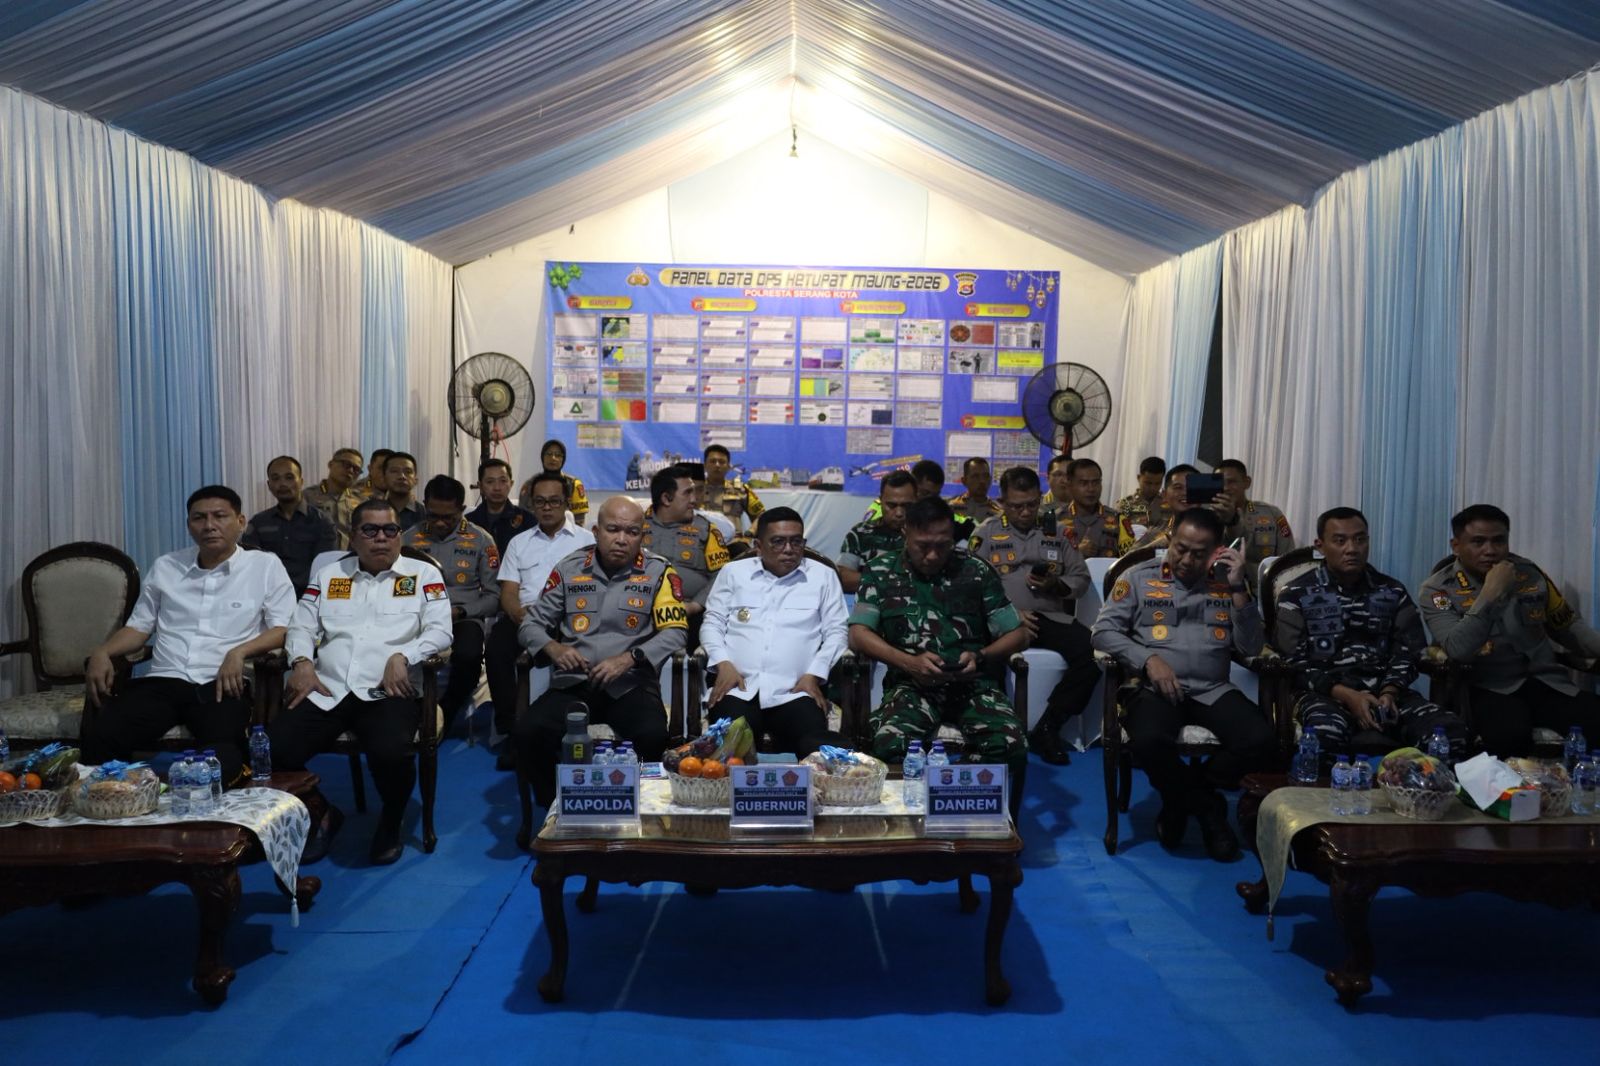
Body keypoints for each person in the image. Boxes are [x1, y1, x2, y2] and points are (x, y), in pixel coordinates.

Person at [270, 498, 452, 865]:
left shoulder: (423, 576)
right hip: (328, 687)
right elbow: (301, 625)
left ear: (399, 535)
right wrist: (301, 662)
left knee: (391, 752)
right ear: (353, 537)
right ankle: (321, 810)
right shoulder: (330, 576)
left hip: (389, 690)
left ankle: (391, 818)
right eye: (370, 530)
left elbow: (441, 631)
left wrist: (404, 656)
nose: (381, 538)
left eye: (390, 530)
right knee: (274, 749)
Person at [1091, 507, 1274, 862]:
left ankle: (1181, 800)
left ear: (1217, 551)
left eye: (1199, 553)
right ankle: (1208, 810)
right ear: (1171, 539)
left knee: (1261, 741)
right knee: (1148, 740)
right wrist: (1148, 660)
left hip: (1212, 689)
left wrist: (1239, 588)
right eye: (1181, 549)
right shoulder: (1138, 577)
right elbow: (1103, 632)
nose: (1187, 560)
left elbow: (1251, 648)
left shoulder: (1229, 581)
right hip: (1155, 690)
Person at [80, 486, 295, 787]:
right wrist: (103, 652)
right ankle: (111, 805)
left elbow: (282, 629)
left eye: (220, 516)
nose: (209, 525)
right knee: (103, 734)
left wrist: (239, 652)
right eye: (199, 518)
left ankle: (204, 812)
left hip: (220, 684)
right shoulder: (167, 566)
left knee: (224, 755)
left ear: (241, 522)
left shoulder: (264, 566)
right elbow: (138, 628)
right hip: (165, 681)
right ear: (189, 525)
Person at [513, 496, 688, 831]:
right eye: (613, 530)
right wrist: (553, 648)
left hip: (631, 685)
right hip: (574, 684)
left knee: (653, 735)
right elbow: (530, 626)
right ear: (596, 532)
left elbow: (676, 632)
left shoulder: (659, 572)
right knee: (528, 733)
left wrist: (630, 658)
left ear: (642, 536)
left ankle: (640, 813)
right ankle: (556, 809)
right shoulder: (569, 568)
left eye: (632, 532)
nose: (621, 539)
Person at [848, 496, 1031, 816]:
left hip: (974, 685)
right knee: (888, 746)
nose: (932, 555)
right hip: (912, 685)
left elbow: (1019, 634)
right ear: (905, 533)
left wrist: (982, 656)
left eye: (942, 545)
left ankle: (957, 803)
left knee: (1011, 746)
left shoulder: (975, 570)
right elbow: (859, 633)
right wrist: (908, 662)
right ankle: (912, 819)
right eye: (923, 546)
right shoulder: (880, 571)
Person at [1274, 508, 1468, 760]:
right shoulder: (1296, 594)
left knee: (1449, 733)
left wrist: (1389, 691)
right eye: (1340, 541)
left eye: (1360, 539)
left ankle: (1415, 785)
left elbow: (1410, 652)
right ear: (1320, 546)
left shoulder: (1392, 591)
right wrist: (1347, 695)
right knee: (1324, 736)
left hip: (1388, 694)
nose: (1352, 549)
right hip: (1323, 694)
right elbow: (1292, 663)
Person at [1418, 504, 1600, 755]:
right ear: (1456, 545)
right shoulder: (1438, 591)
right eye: (1478, 542)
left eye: (1498, 541)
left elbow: (1568, 625)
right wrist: (1489, 595)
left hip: (1547, 681)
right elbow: (1458, 649)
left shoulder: (1529, 574)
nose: (1490, 550)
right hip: (1489, 687)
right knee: (1509, 739)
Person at [971, 467, 1098, 765]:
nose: (1026, 512)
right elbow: (971, 584)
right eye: (1017, 506)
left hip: (1048, 618)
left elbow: (1081, 579)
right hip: (1000, 620)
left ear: (1040, 498)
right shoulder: (985, 533)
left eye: (1031, 504)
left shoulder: (1059, 532)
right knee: (985, 659)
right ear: (1002, 501)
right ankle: (997, 731)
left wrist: (1056, 584)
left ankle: (1049, 727)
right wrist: (1007, 613)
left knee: (1091, 655)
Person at [701, 507, 848, 757]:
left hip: (796, 691)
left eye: (796, 541)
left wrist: (814, 675)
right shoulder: (733, 573)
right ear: (758, 546)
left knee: (816, 751)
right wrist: (722, 663)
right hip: (739, 689)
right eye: (778, 541)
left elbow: (837, 632)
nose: (789, 549)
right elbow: (712, 623)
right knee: (727, 752)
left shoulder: (823, 577)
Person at [485, 471, 595, 766]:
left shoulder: (587, 541)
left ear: (566, 502)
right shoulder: (519, 542)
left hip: (572, 616)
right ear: (531, 504)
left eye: (554, 501)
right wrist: (523, 618)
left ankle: (565, 730)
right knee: (496, 649)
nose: (547, 508)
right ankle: (511, 732)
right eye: (540, 502)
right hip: (526, 614)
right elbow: (508, 593)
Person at [402, 476, 501, 732]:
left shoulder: (481, 540)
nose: (440, 523)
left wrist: (462, 611)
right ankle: (406, 713)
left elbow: (493, 596)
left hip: (462, 616)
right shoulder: (407, 539)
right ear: (425, 506)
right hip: (416, 616)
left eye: (448, 517)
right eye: (433, 516)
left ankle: (442, 715)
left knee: (469, 656)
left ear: (461, 509)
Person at [641, 464, 730, 638]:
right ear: (666, 498)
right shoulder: (635, 526)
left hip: (692, 614)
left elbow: (722, 575)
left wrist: (695, 606)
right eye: (688, 493)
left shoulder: (707, 530)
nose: (694, 500)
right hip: (639, 609)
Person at [242, 455, 338, 594]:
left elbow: (324, 567)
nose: (282, 484)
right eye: (275, 478)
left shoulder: (322, 522)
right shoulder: (259, 522)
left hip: (310, 596)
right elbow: (251, 563)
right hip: (269, 595)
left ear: (301, 481)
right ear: (269, 485)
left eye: (289, 477)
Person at [1214, 459, 1294, 591]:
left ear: (1246, 482)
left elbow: (1288, 557)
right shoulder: (1208, 518)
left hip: (1264, 590)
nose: (1225, 488)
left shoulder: (1271, 514)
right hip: (1222, 591)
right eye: (1220, 483)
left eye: (1231, 482)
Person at [837, 471, 917, 594]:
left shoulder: (927, 536)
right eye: (891, 505)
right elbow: (844, 578)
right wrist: (893, 582)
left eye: (906, 506)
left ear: (917, 501)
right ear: (880, 501)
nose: (899, 513)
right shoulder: (860, 533)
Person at [1046, 457, 1134, 558]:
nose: (1091, 489)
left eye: (1096, 483)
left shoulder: (1118, 519)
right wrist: (1075, 553)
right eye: (1084, 483)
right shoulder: (1054, 519)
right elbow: (1045, 559)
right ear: (1070, 484)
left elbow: (1130, 560)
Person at [467, 458, 535, 554]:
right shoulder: (468, 522)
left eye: (503, 481)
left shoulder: (528, 521)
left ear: (511, 484)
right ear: (480, 486)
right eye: (490, 482)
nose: (497, 488)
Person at [304, 447, 367, 547]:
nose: (351, 471)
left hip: (349, 555)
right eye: (346, 465)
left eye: (356, 469)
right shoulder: (307, 496)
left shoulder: (361, 501)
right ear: (330, 464)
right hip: (317, 554)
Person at [1128, 464, 1197, 552]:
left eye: (1191, 487)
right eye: (1178, 487)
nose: (1185, 493)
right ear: (1164, 494)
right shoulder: (1153, 536)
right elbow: (1128, 558)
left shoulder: (1212, 532)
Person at [519, 439, 588, 526]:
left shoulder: (574, 484)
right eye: (549, 454)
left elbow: (579, 522)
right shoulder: (530, 485)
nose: (553, 458)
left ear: (563, 459)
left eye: (558, 455)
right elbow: (522, 517)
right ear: (542, 457)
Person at [703, 443, 765, 536]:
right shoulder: (694, 490)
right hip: (702, 540)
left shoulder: (740, 490)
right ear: (705, 465)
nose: (717, 465)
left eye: (722, 462)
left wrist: (751, 532)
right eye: (713, 461)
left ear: (728, 467)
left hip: (734, 541)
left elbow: (761, 515)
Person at [1114, 456, 1170, 532]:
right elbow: (1116, 533)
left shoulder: (1169, 505)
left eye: (1157, 483)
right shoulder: (1124, 505)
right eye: (1148, 483)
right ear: (1138, 478)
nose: (1152, 488)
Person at [950, 457, 1002, 524]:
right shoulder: (952, 507)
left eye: (986, 476)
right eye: (975, 476)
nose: (982, 481)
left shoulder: (998, 513)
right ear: (964, 481)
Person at [382, 451, 425, 530]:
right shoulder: (372, 511)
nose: (402, 476)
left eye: (408, 472)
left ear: (416, 480)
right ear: (384, 478)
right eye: (394, 471)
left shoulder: (425, 514)